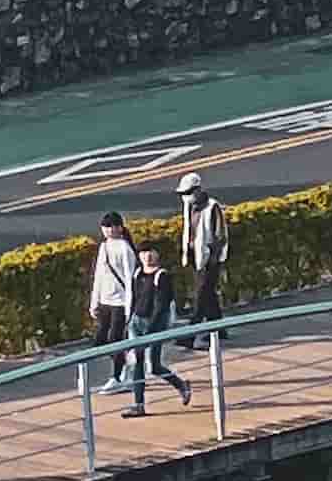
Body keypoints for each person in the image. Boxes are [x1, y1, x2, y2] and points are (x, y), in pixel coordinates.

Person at [124, 242, 191, 415]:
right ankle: (138, 404)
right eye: (143, 253)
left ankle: (181, 385)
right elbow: (134, 299)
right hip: (136, 322)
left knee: (154, 366)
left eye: (150, 252)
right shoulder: (137, 274)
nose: (147, 256)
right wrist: (129, 320)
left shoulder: (162, 276)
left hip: (154, 325)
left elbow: (162, 305)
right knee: (136, 363)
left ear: (157, 254)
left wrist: (151, 330)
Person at [86, 209, 138, 385]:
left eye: (111, 226)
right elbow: (99, 276)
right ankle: (127, 359)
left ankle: (117, 376)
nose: (108, 230)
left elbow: (130, 279)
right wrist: (95, 302)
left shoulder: (125, 248)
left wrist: (129, 307)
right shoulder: (104, 247)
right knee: (101, 339)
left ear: (120, 228)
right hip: (105, 301)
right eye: (105, 227)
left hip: (120, 302)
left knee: (115, 339)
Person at [177, 172, 230, 326]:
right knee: (208, 295)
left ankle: (190, 333)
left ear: (198, 190)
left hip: (210, 259)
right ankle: (218, 328)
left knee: (201, 295)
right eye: (183, 194)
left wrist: (213, 259)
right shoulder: (189, 207)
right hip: (195, 256)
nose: (185, 197)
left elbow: (220, 236)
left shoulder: (213, 207)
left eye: (188, 193)